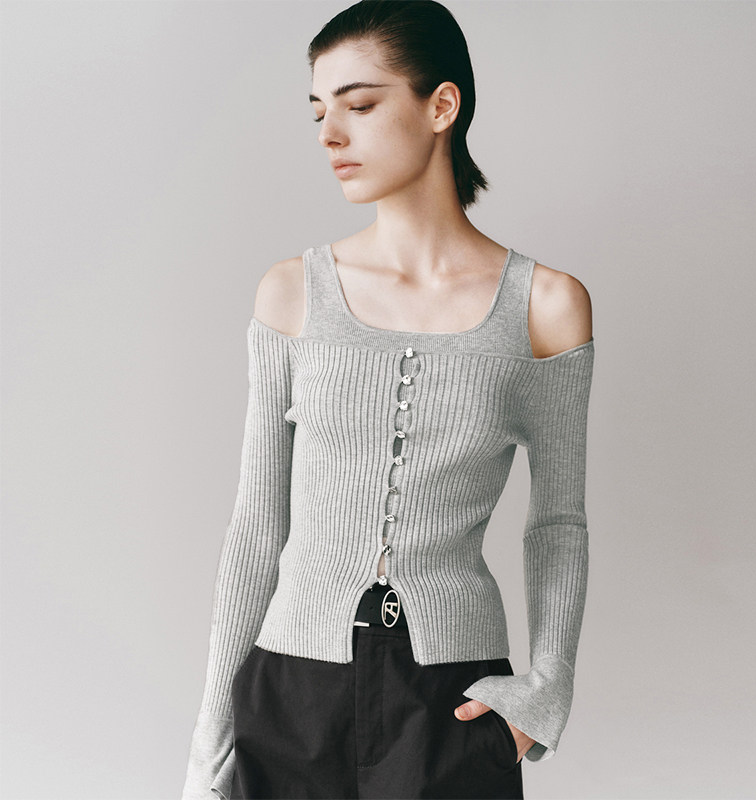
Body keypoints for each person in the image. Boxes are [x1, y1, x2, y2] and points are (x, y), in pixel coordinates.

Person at [181, 1, 595, 798]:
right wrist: (211, 737)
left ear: (441, 106)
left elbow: (558, 524)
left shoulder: (544, 306)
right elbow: (256, 524)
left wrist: (548, 689)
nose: (330, 135)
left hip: (452, 701)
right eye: (319, 112)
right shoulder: (292, 294)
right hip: (289, 693)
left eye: (360, 105)